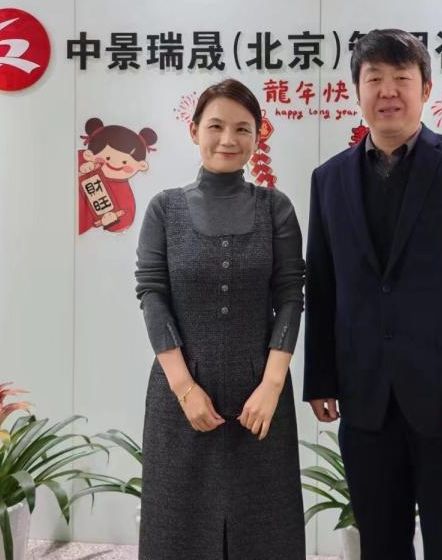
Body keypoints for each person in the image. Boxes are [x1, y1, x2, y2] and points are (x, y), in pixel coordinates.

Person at [303, 29, 442, 560]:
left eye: (401, 78)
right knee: (380, 544)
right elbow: (324, 284)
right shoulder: (329, 179)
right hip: (367, 402)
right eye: (374, 78)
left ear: (425, 89)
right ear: (356, 90)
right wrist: (321, 377)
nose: (388, 91)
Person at [134, 79, 306, 560]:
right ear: (194, 131)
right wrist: (185, 389)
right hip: (180, 397)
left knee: (266, 534)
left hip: (261, 399)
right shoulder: (164, 209)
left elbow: (290, 297)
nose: (228, 139)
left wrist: (271, 386)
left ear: (257, 136)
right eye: (215, 126)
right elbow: (152, 295)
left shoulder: (276, 209)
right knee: (178, 532)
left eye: (242, 129)